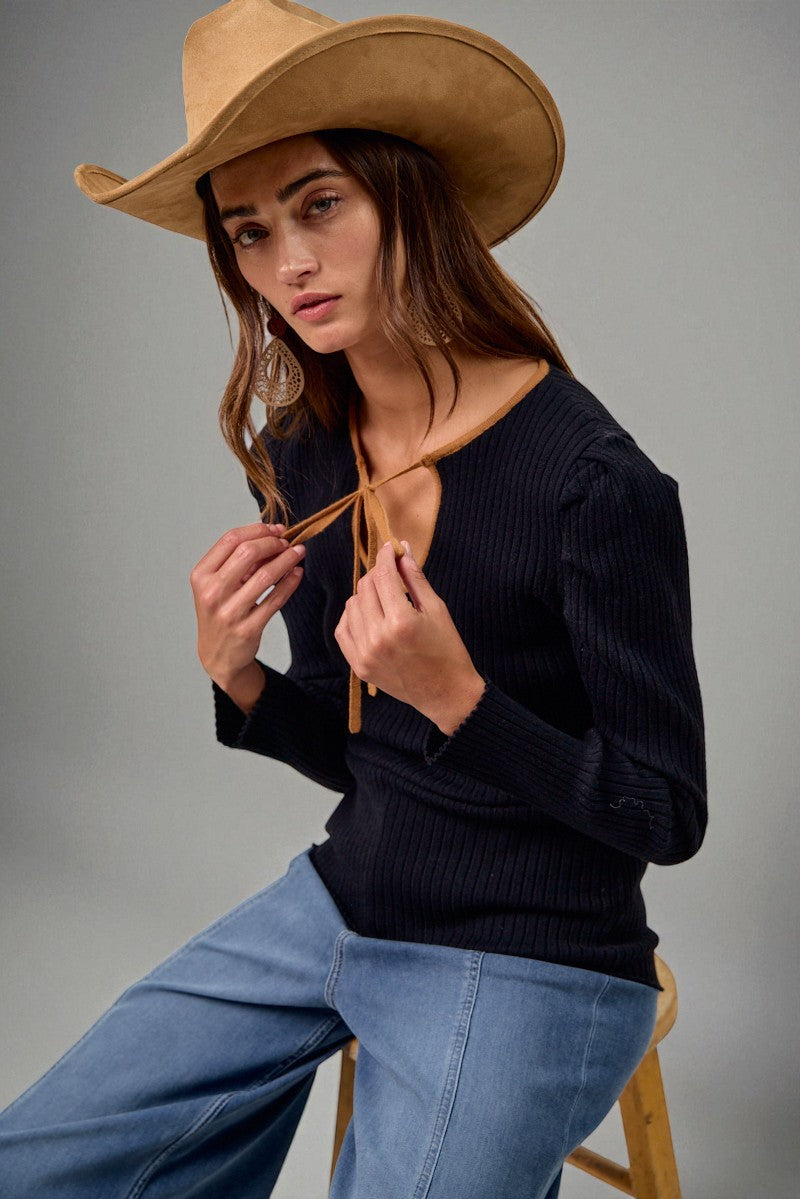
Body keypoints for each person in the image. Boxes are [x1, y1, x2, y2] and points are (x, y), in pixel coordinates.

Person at [0, 2, 708, 1197]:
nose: (288, 263)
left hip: (535, 954)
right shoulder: (308, 449)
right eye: (248, 229)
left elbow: (665, 813)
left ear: (404, 200)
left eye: (319, 204)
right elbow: (366, 754)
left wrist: (463, 697)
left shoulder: (591, 482)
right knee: (35, 1160)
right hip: (342, 899)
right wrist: (240, 679)